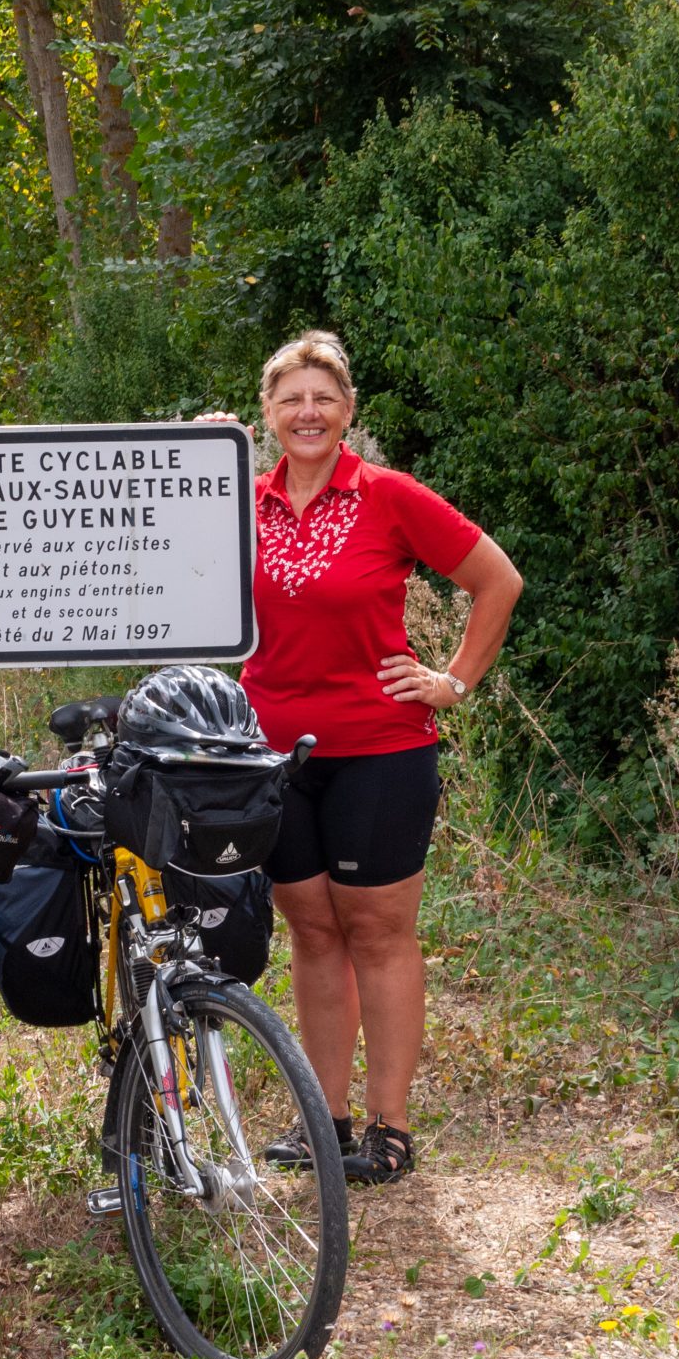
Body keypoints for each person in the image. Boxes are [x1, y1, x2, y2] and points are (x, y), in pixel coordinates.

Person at [206, 331, 522, 1183]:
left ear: (348, 410)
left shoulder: (389, 496)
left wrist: (454, 679)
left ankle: (390, 1127)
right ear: (267, 413)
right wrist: (196, 461)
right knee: (312, 932)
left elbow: (497, 579)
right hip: (273, 755)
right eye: (290, 399)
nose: (307, 412)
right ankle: (327, 1120)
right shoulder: (239, 499)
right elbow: (161, 551)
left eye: (323, 398)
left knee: (378, 934)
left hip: (379, 749)